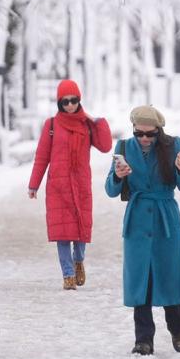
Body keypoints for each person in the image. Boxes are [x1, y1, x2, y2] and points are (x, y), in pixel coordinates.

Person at [105, 105, 180, 356]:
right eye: (139, 133)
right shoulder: (123, 148)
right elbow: (110, 190)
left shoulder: (173, 145)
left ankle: (178, 329)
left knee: (169, 278)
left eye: (150, 134)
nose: (144, 139)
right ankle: (143, 339)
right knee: (140, 282)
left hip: (165, 219)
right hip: (137, 221)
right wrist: (118, 176)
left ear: (159, 131)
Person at [28, 79, 112, 290]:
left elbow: (105, 146)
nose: (70, 105)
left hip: (81, 184)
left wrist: (97, 121)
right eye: (65, 102)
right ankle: (67, 275)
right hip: (58, 186)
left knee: (81, 230)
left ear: (79, 100)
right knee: (63, 233)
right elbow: (42, 156)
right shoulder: (52, 125)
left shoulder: (86, 124)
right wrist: (34, 184)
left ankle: (79, 261)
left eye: (73, 100)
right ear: (59, 103)